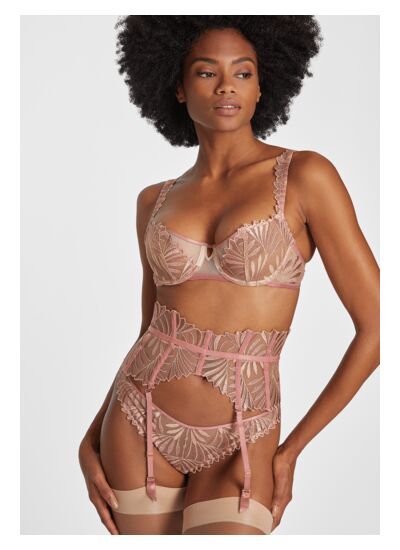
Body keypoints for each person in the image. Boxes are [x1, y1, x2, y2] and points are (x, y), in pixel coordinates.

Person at [78, 15, 380, 535]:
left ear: (263, 86)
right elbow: (150, 327)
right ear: (177, 86)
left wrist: (291, 451)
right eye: (205, 72)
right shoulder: (154, 201)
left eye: (243, 73)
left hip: (245, 432)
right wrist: (90, 436)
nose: (225, 86)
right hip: (136, 418)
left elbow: (380, 327)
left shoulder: (306, 177)